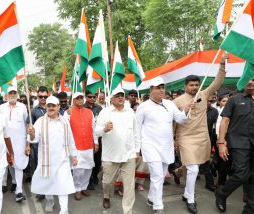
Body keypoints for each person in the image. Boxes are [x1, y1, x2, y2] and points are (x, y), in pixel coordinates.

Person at [173, 53, 227, 214]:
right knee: (194, 169)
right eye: (191, 85)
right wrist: (173, 139)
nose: (195, 87)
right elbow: (174, 122)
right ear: (185, 86)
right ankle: (190, 199)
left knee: (193, 167)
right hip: (185, 138)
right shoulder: (177, 101)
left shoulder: (204, 94)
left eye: (197, 84)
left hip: (202, 138)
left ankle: (184, 188)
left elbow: (218, 82)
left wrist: (222, 64)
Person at [135, 77, 192, 214]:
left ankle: (151, 198)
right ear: (151, 90)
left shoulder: (170, 104)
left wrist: (187, 110)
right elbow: (136, 128)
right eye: (157, 87)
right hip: (150, 146)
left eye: (162, 87)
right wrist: (137, 149)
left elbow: (181, 119)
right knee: (157, 175)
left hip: (166, 146)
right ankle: (158, 206)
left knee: (160, 174)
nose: (161, 90)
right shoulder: (143, 107)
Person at [27, 96, 78, 214]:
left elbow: (70, 139)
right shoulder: (40, 121)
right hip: (47, 160)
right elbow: (33, 139)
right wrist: (32, 134)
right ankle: (49, 201)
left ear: (58, 107)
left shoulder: (65, 121)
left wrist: (74, 155)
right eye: (48, 105)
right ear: (46, 107)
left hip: (62, 160)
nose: (50, 108)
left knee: (63, 184)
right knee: (48, 183)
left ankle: (64, 210)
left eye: (53, 105)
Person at [95, 87, 140, 214]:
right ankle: (106, 196)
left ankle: (128, 210)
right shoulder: (105, 112)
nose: (121, 97)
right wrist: (105, 129)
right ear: (111, 99)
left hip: (129, 155)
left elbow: (136, 132)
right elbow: (96, 132)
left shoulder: (130, 112)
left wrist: (137, 149)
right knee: (107, 182)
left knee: (129, 185)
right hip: (110, 155)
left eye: (122, 95)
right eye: (118, 95)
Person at [215, 77, 254, 214]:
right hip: (239, 143)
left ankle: (250, 208)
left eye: (253, 79)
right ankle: (222, 193)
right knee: (242, 174)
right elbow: (224, 121)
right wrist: (221, 143)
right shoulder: (235, 99)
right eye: (248, 79)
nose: (250, 82)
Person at [0, 86, 29, 202]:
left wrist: (27, 143)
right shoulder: (1, 108)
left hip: (20, 141)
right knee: (10, 163)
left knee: (19, 165)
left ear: (17, 94)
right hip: (5, 141)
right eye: (10, 93)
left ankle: (19, 191)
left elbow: (26, 124)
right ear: (6, 95)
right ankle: (15, 182)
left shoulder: (22, 107)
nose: (12, 95)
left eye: (14, 93)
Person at [66, 92, 98, 200]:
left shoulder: (89, 112)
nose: (79, 100)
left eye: (81, 98)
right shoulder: (68, 113)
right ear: (73, 100)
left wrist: (96, 142)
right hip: (75, 146)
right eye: (77, 98)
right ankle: (77, 188)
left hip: (89, 145)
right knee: (78, 169)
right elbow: (65, 129)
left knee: (88, 168)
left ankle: (84, 187)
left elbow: (94, 128)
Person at [26, 86, 48, 200]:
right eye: (41, 97)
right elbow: (29, 130)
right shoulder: (33, 111)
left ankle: (49, 188)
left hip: (49, 146)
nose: (43, 99)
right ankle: (41, 191)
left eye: (45, 96)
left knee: (48, 167)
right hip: (36, 146)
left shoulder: (52, 109)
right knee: (37, 168)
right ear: (37, 97)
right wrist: (28, 145)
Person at [84, 90, 103, 190]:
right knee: (89, 160)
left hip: (98, 137)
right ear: (86, 97)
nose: (92, 98)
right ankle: (89, 180)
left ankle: (95, 175)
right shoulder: (82, 107)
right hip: (87, 138)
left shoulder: (99, 108)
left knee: (98, 161)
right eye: (90, 97)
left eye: (94, 97)